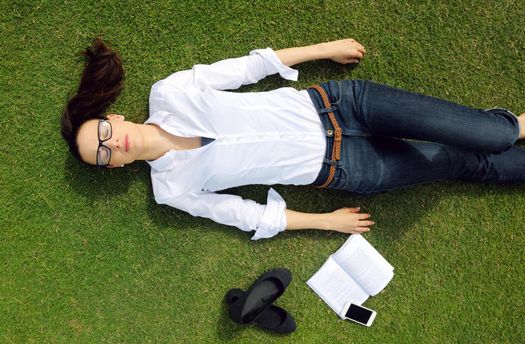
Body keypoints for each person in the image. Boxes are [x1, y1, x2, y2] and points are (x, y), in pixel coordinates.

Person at [61, 38, 525, 240]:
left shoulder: (169, 92)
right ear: (114, 168)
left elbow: (248, 68)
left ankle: (512, 127)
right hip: (347, 168)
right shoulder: (170, 190)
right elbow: (244, 215)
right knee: (461, 163)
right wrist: (326, 223)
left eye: (103, 132)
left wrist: (325, 50)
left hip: (341, 104)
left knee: (491, 132)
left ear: (113, 117)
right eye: (102, 155)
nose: (111, 144)